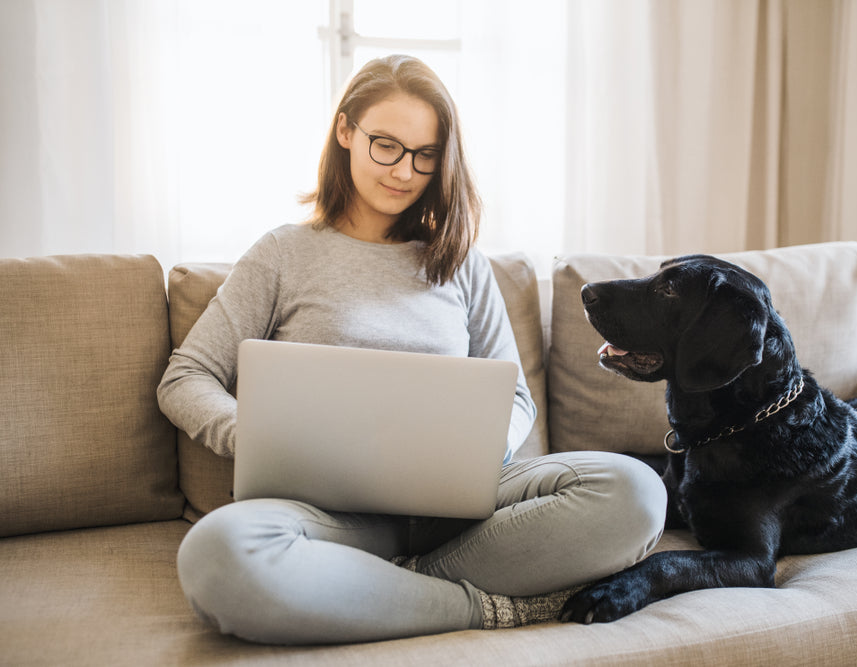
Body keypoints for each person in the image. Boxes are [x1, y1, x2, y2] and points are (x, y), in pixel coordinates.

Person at [158, 54, 666, 645]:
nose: (405, 171)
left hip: (462, 514)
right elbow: (185, 377)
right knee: (218, 556)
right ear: (345, 131)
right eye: (387, 147)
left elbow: (516, 397)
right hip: (325, 515)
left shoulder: (462, 264)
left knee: (634, 491)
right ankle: (477, 606)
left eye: (426, 156)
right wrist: (251, 434)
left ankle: (381, 589)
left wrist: (481, 453)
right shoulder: (283, 253)